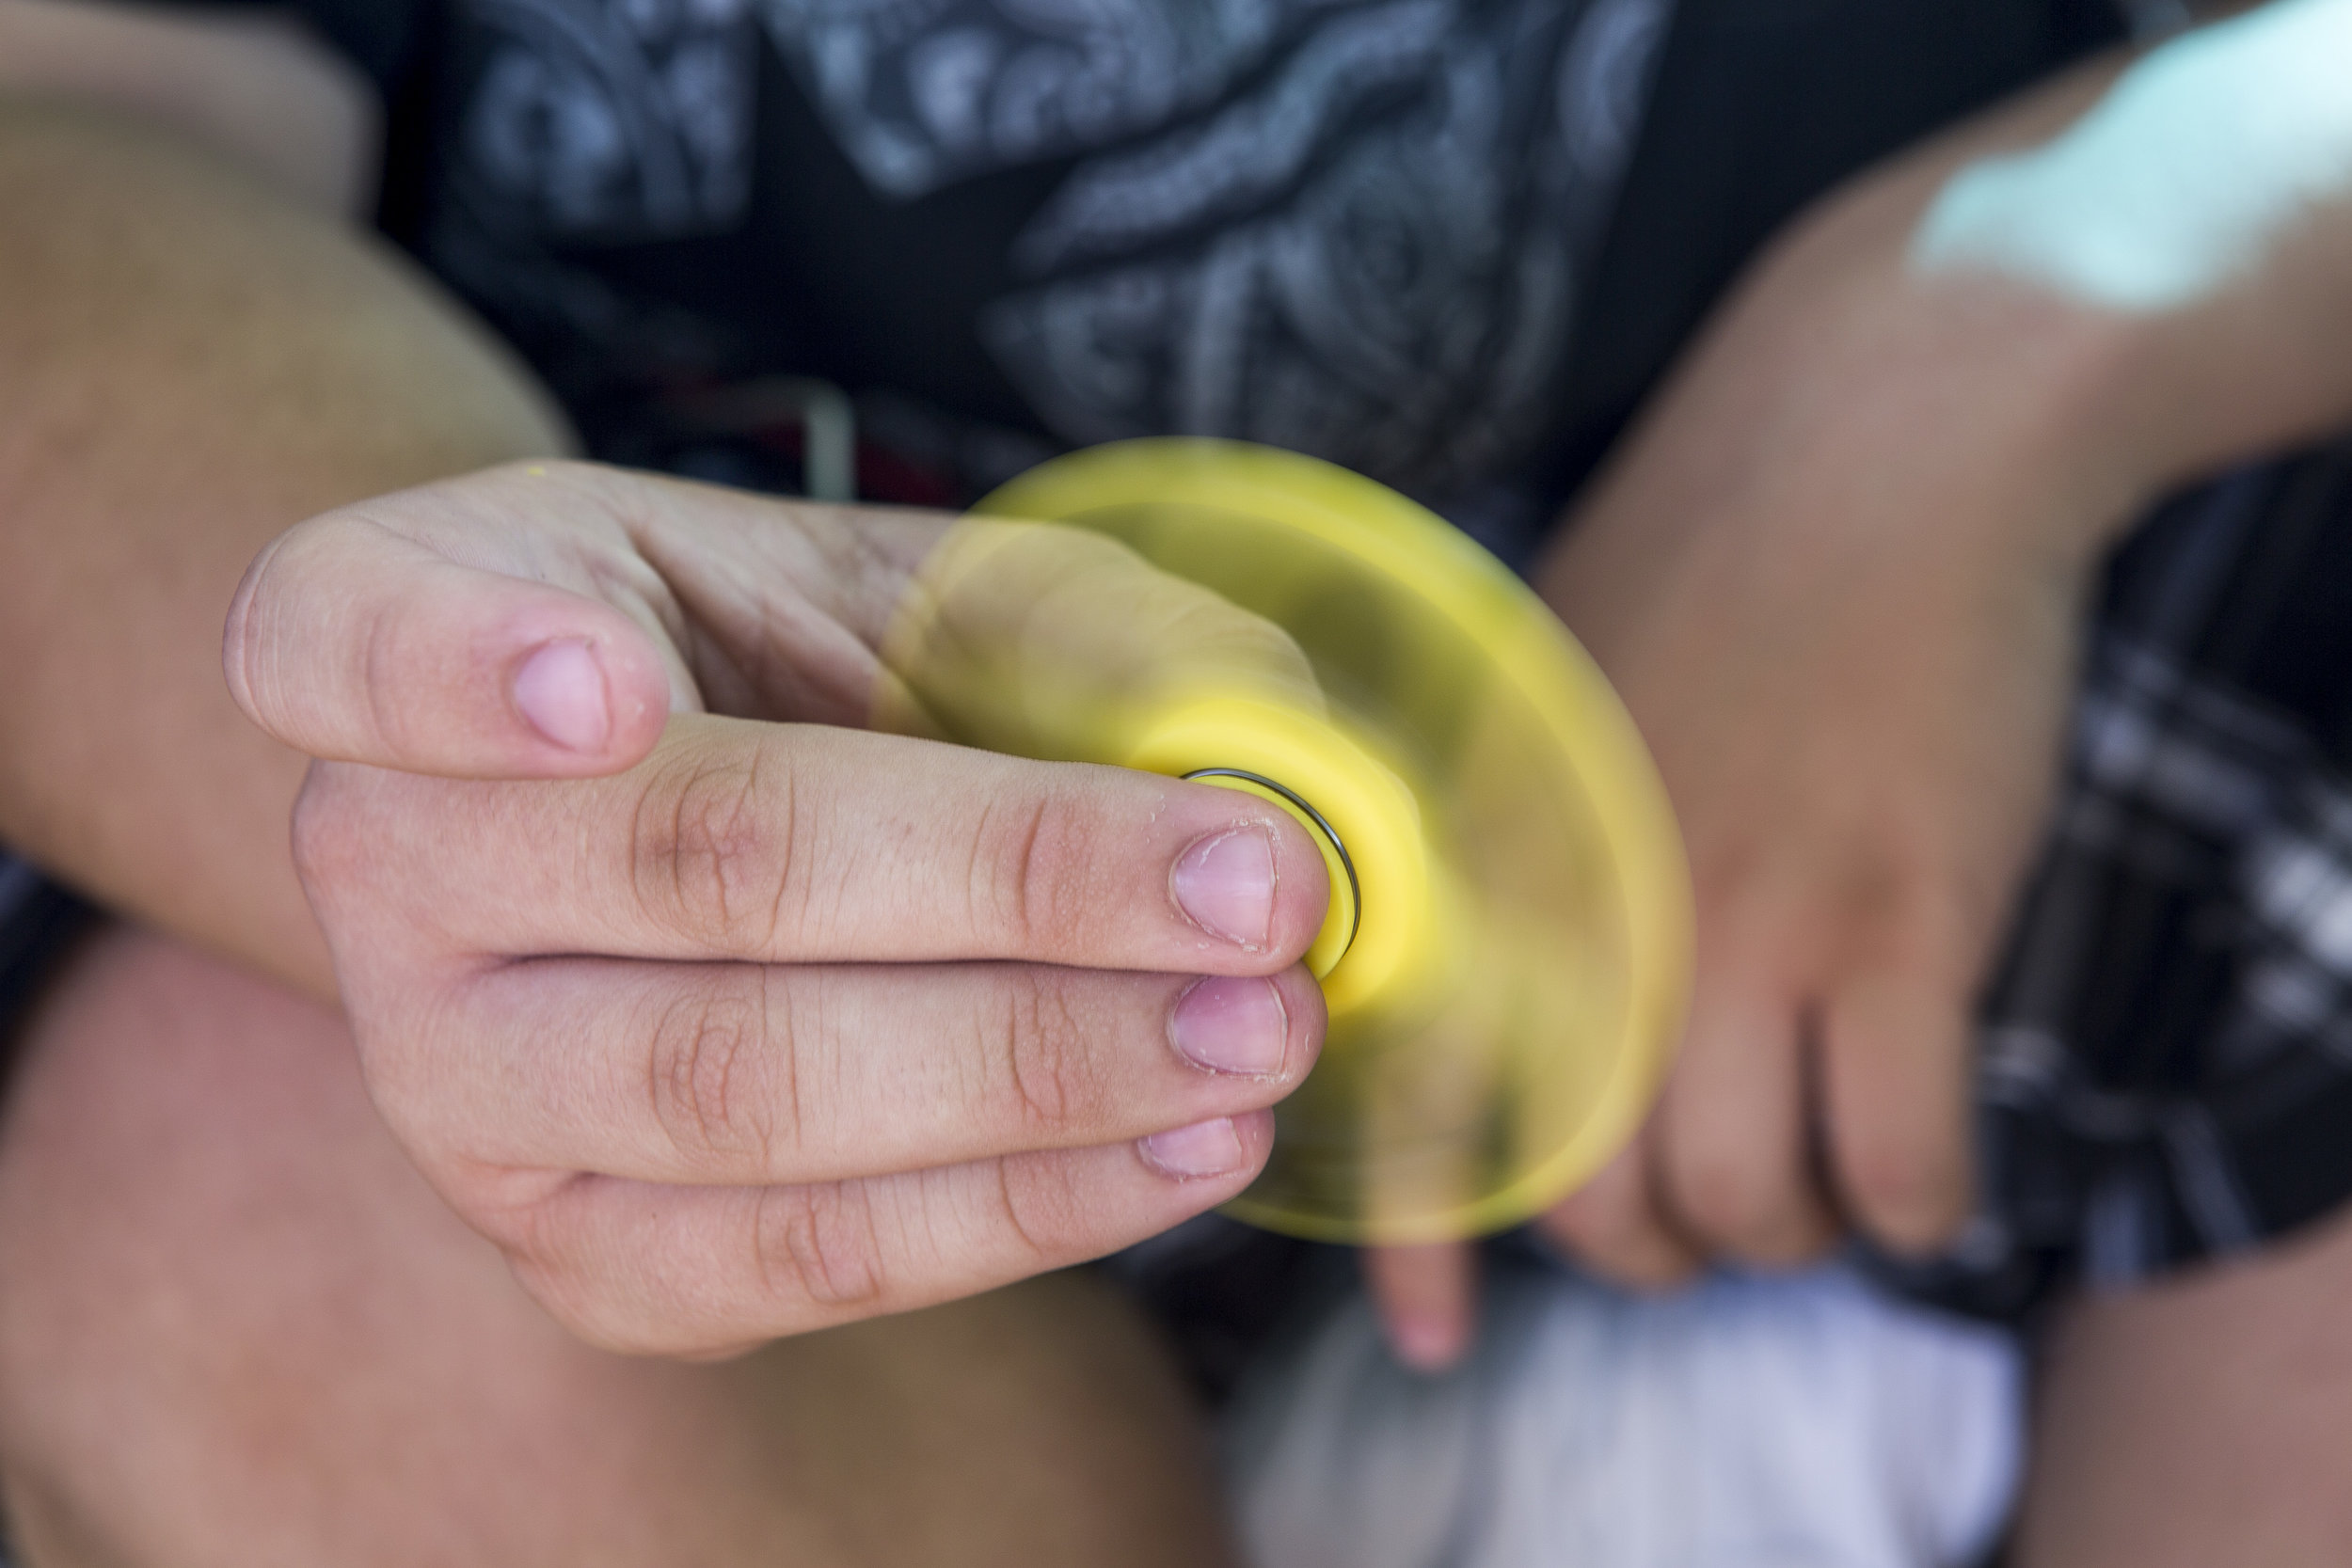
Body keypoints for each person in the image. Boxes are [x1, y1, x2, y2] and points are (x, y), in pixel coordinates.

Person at [0, 1, 2348, 1564]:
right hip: (732, 711)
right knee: (231, 1169)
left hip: (1983, 778)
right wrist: (521, 747)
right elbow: (72, 145)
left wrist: (2036, 301)